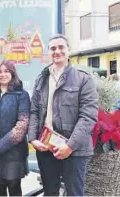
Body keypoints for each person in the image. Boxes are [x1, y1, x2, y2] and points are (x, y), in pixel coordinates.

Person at [28, 34, 99, 196]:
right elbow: (34, 111)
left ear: (68, 51)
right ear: (48, 52)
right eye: (53, 48)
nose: (57, 51)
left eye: (61, 47)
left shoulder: (83, 79)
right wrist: (33, 139)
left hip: (74, 150)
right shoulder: (42, 78)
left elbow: (88, 116)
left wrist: (70, 146)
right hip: (46, 147)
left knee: (74, 193)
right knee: (50, 192)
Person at [0, 61, 30, 196]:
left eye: (6, 71)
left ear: (13, 73)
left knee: (14, 189)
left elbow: (22, 125)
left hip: (13, 153)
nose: (3, 74)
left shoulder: (22, 95)